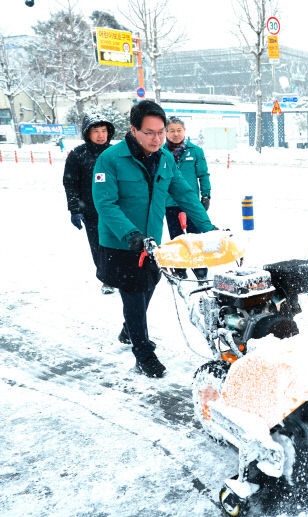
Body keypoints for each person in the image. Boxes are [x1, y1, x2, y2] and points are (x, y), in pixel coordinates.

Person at [92, 100, 216, 378]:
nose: (157, 138)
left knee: (149, 284)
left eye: (160, 132)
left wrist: (208, 228)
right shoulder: (110, 159)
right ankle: (143, 353)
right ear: (134, 130)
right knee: (134, 295)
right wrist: (130, 234)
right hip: (120, 243)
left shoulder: (166, 158)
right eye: (149, 132)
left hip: (151, 241)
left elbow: (185, 194)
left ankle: (129, 329)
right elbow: (105, 203)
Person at [62, 112, 116, 294]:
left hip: (117, 209)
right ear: (87, 133)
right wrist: (75, 209)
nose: (101, 135)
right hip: (91, 211)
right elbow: (70, 183)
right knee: (99, 245)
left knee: (118, 244)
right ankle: (106, 279)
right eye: (96, 131)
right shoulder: (78, 155)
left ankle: (120, 275)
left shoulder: (116, 153)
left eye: (104, 131)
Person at [163, 116, 211, 280]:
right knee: (176, 238)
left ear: (184, 131)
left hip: (191, 203)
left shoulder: (195, 151)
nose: (175, 134)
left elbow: (203, 175)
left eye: (179, 130)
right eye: (171, 131)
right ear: (165, 132)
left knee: (195, 237)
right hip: (169, 203)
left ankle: (200, 271)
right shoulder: (161, 152)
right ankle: (180, 270)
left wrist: (206, 194)